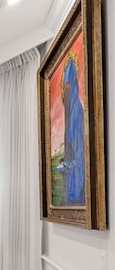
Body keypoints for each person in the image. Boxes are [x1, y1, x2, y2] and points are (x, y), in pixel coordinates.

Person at [54, 54, 85, 206]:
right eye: (64, 86)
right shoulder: (69, 113)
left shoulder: (77, 113)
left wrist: (66, 165)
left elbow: (80, 157)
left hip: (77, 180)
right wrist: (62, 163)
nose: (65, 90)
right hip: (70, 176)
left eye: (68, 85)